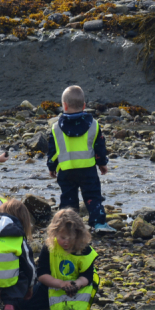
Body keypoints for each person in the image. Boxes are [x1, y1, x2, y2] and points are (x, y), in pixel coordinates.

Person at [48, 85, 114, 233]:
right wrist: (102, 163)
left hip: (66, 170)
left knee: (68, 199)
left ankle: (67, 226)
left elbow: (52, 150)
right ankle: (98, 224)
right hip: (88, 170)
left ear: (64, 105)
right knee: (93, 197)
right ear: (84, 106)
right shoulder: (94, 125)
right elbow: (99, 146)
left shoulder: (56, 127)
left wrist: (51, 166)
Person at [23, 209, 99, 310]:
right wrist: (61, 284)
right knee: (23, 303)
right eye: (62, 238)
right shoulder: (50, 246)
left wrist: (75, 285)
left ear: (78, 235)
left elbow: (87, 276)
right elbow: (41, 274)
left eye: (70, 238)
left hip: (77, 289)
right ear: (54, 233)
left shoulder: (84, 249)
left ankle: (68, 308)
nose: (66, 242)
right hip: (52, 285)